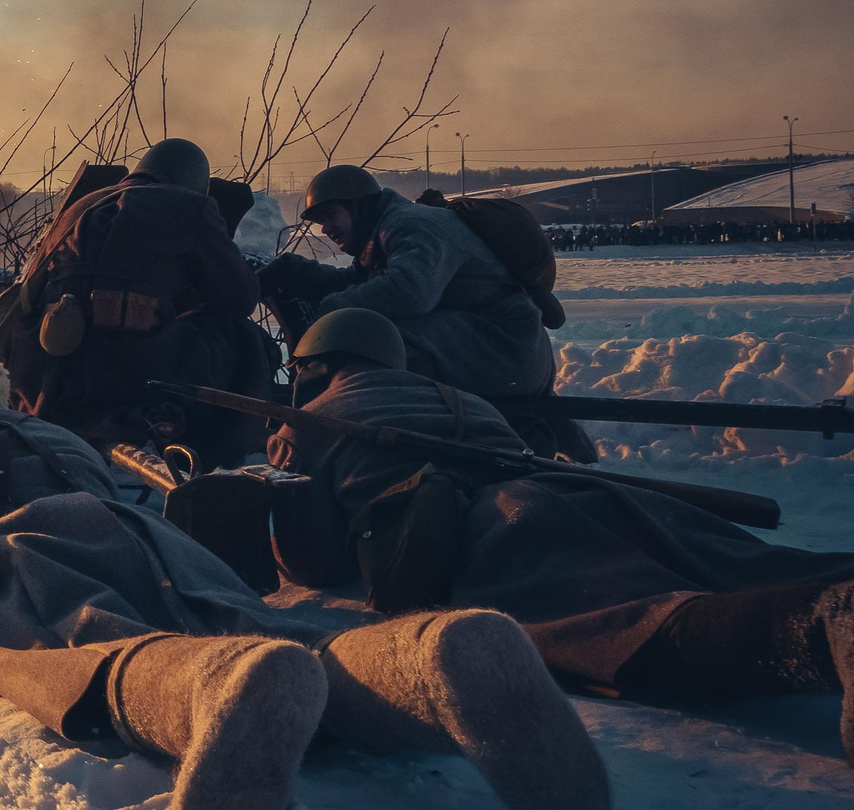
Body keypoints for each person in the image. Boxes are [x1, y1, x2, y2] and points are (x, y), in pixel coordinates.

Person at [0, 341, 608, 810]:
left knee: (86, 646)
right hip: (144, 532)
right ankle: (426, 658)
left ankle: (219, 689)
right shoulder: (59, 432)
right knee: (257, 621)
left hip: (23, 546)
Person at [268, 308, 854, 764]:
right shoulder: (461, 397)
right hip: (587, 494)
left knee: (635, 627)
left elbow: (313, 566)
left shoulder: (309, 423)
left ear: (314, 365)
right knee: (749, 562)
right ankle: (830, 596)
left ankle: (821, 630)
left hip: (502, 527)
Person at [0, 139, 276, 463]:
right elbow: (238, 298)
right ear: (194, 181)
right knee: (239, 334)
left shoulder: (79, 206)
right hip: (129, 375)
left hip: (49, 376)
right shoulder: (190, 206)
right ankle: (221, 451)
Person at [260, 165, 554, 404]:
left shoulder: (408, 224)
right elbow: (354, 283)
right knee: (362, 340)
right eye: (319, 221)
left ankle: (324, 429)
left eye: (331, 215)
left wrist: (330, 312)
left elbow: (409, 292)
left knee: (363, 344)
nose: (325, 228)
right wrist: (297, 272)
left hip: (507, 347)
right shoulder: (381, 231)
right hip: (488, 345)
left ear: (357, 206)